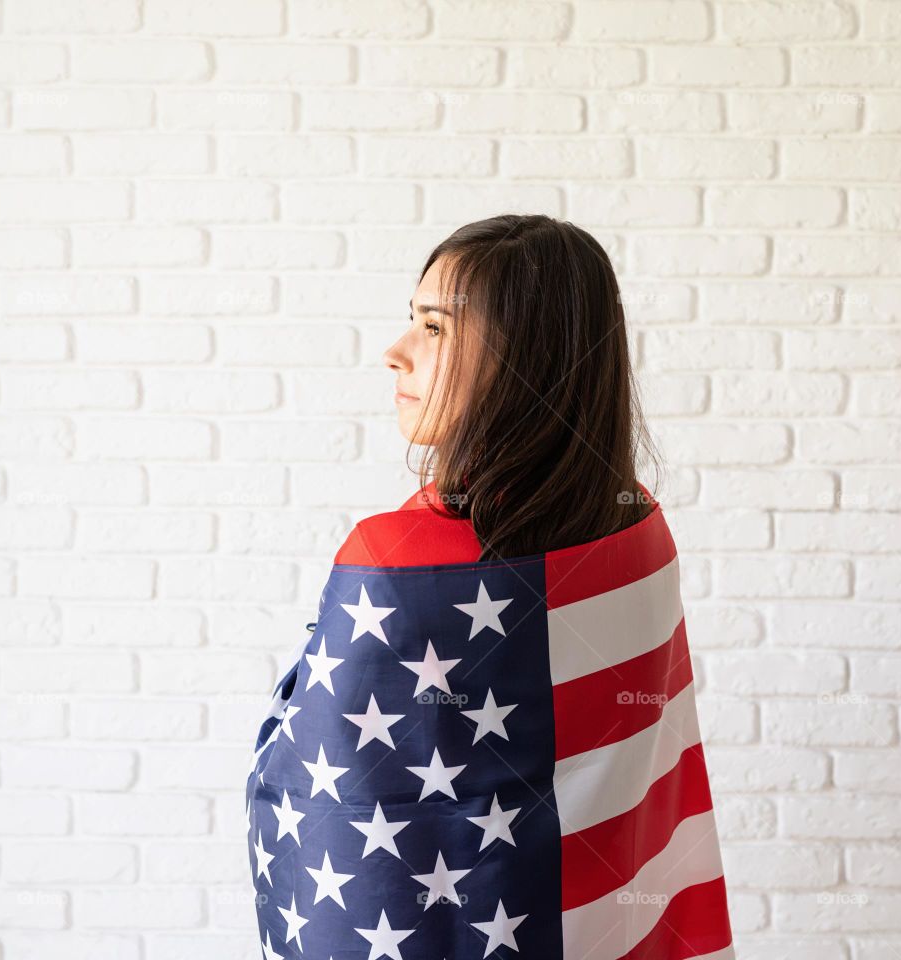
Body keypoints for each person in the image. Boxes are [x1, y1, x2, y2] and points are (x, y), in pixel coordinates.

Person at [246, 215, 736, 960]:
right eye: (413, 321)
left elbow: (317, 804)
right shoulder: (638, 529)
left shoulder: (393, 563)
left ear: (523, 357)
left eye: (436, 328)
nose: (396, 353)